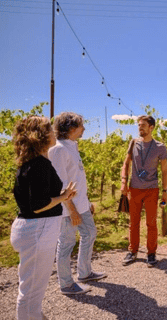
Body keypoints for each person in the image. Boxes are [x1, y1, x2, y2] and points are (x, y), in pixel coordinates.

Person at [11, 116, 77, 319]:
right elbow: (38, 206)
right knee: (31, 293)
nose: (53, 133)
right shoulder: (39, 165)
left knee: (30, 288)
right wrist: (63, 197)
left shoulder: (33, 163)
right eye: (49, 129)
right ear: (40, 136)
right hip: (37, 230)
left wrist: (62, 196)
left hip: (32, 229)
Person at [49, 112, 106, 295]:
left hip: (81, 204)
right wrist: (72, 210)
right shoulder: (58, 149)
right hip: (67, 209)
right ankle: (66, 284)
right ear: (71, 128)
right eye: (81, 125)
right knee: (66, 244)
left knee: (89, 233)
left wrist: (86, 202)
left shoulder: (72, 146)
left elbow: (77, 178)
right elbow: (60, 185)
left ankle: (85, 272)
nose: (84, 129)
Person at [121, 115, 167, 267]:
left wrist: (165, 191)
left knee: (151, 223)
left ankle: (151, 253)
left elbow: (164, 170)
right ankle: (133, 251)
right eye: (138, 125)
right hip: (134, 189)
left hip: (151, 190)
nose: (140, 128)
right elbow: (126, 163)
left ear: (151, 127)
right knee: (133, 223)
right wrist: (124, 182)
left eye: (143, 125)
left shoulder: (160, 147)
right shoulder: (133, 143)